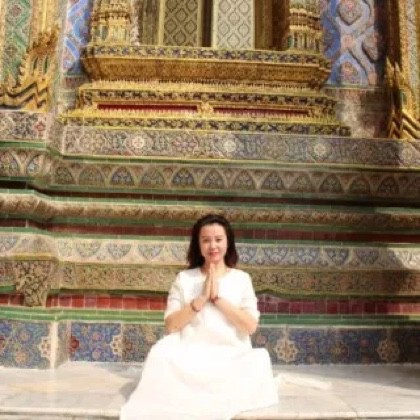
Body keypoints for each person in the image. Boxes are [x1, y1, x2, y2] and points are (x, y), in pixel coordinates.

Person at [120, 214, 278, 420]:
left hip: (230, 357)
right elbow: (171, 325)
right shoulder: (184, 278)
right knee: (160, 356)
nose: (213, 246)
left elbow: (250, 326)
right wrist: (201, 298)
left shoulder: (242, 279)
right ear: (198, 245)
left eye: (218, 239)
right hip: (189, 356)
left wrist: (218, 299)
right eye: (206, 240)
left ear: (228, 242)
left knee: (259, 360)